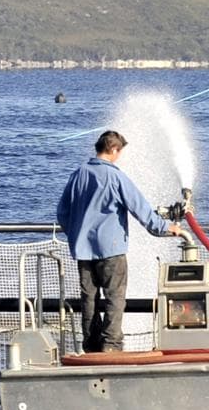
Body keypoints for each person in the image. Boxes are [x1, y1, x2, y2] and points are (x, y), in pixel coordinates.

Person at [57, 130, 183, 352]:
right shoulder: (116, 177)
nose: (119, 157)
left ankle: (91, 345)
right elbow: (140, 209)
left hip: (83, 251)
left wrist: (76, 234)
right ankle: (111, 344)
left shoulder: (78, 174)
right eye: (119, 152)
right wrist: (166, 228)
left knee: (89, 300)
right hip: (112, 250)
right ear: (114, 149)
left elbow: (63, 212)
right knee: (115, 297)